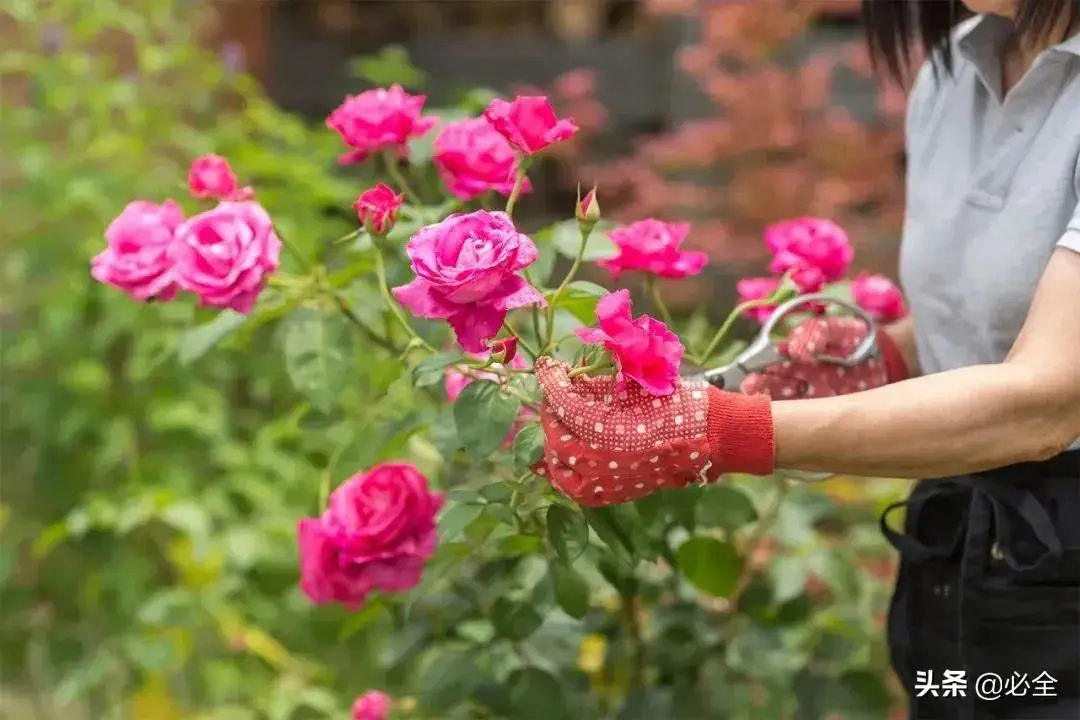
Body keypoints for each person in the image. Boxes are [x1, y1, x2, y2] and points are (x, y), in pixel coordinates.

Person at [532, 1, 1080, 718]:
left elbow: (1047, 400)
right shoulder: (954, 73)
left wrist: (718, 430)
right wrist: (873, 355)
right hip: (966, 553)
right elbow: (985, 317)